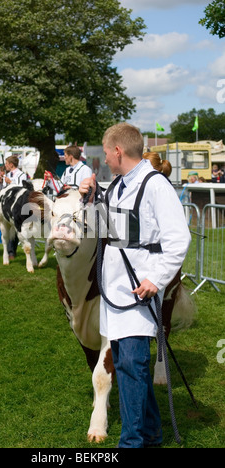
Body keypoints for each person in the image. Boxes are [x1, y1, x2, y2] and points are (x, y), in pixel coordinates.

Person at [79, 123, 191, 448]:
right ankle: (152, 434)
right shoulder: (117, 186)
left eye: (104, 150)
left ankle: (131, 443)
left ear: (117, 151)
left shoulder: (155, 186)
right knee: (130, 367)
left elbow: (178, 238)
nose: (104, 158)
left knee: (131, 368)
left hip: (138, 294)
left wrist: (156, 279)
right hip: (114, 292)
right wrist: (89, 198)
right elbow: (102, 229)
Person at [3, 154, 27, 259]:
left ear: (11, 164)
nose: (5, 166)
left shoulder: (21, 175)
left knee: (15, 227)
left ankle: (12, 251)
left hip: (17, 204)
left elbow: (21, 188)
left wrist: (11, 182)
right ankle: (9, 250)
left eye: (7, 164)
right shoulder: (7, 174)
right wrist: (1, 183)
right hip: (7, 203)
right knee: (7, 227)